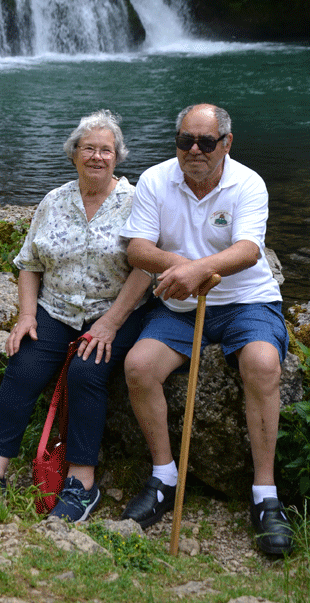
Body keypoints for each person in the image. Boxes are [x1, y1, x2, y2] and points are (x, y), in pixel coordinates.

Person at [119, 103, 293, 556]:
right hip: (179, 305)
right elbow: (137, 248)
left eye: (206, 142)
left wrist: (198, 270)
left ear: (226, 144)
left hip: (244, 300)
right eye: (185, 141)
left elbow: (249, 250)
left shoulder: (248, 182)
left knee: (262, 363)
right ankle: (163, 478)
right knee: (139, 367)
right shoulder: (156, 180)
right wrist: (181, 266)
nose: (194, 150)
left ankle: (265, 494)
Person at [0, 109, 151, 522]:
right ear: (74, 154)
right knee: (24, 365)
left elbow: (145, 268)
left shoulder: (138, 201)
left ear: (117, 157)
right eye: (88, 148)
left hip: (115, 312)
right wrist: (26, 317)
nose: (97, 157)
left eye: (106, 150)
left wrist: (110, 323)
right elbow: (30, 264)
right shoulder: (54, 201)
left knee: (85, 373)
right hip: (56, 310)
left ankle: (81, 483)